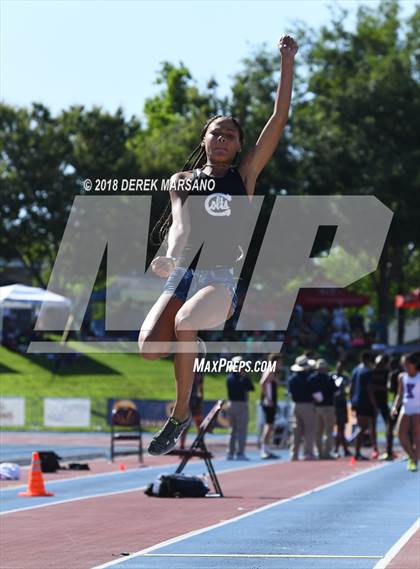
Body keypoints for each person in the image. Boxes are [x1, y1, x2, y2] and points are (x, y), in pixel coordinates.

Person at [138, 35, 299, 455]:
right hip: (183, 273)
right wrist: (169, 256)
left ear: (239, 145)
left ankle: (179, 414)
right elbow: (179, 224)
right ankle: (191, 344)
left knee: (187, 320)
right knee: (149, 348)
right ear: (205, 139)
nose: (223, 139)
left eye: (230, 135)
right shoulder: (183, 181)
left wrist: (287, 61)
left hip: (219, 278)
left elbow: (279, 118)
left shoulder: (243, 177)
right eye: (216, 133)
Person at [391, 353, 420, 472]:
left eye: (408, 363)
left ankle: (415, 460)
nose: (406, 366)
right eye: (404, 364)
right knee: (400, 433)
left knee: (417, 435)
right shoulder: (402, 377)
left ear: (414, 364)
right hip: (406, 407)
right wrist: (395, 406)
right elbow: (400, 393)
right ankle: (412, 455)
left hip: (418, 408)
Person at [226, 356, 254, 460]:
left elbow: (251, 388)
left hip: (232, 404)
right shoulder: (235, 378)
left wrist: (245, 377)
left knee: (232, 430)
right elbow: (242, 389)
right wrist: (244, 378)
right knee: (241, 430)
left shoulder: (230, 377)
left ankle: (231, 452)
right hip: (239, 404)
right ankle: (239, 452)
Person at [288, 355, 316, 460]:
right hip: (307, 404)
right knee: (309, 430)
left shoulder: (292, 379)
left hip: (295, 405)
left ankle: (294, 453)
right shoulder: (309, 378)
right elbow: (314, 393)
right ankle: (308, 453)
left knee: (296, 430)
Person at [309, 359, 337, 459]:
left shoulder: (312, 378)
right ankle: (327, 452)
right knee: (328, 431)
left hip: (316, 407)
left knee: (318, 431)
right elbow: (335, 391)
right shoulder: (329, 378)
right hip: (328, 406)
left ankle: (319, 452)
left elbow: (310, 391)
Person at [350, 350, 375, 460]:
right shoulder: (367, 372)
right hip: (365, 402)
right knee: (363, 427)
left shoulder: (355, 370)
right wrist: (374, 404)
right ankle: (357, 452)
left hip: (357, 402)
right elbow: (369, 389)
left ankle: (357, 451)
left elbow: (351, 388)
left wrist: (351, 401)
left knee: (362, 427)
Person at [368, 353, 391, 459]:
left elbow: (387, 387)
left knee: (388, 423)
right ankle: (375, 449)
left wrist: (380, 388)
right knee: (372, 425)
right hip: (373, 402)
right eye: (378, 363)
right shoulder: (371, 372)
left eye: (381, 363)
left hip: (384, 402)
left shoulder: (386, 372)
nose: (379, 365)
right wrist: (374, 404)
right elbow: (370, 389)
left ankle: (388, 449)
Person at [259, 354, 283, 459]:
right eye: (279, 362)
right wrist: (268, 398)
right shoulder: (270, 369)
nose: (281, 364)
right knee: (268, 426)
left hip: (271, 401)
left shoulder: (272, 371)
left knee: (270, 425)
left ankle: (267, 448)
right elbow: (262, 383)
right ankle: (264, 449)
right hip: (268, 402)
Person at [179, 370, 204, 450]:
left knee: (200, 427)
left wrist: (200, 400)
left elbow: (201, 389)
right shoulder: (187, 375)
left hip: (196, 403)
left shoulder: (199, 375)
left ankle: (201, 446)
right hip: (188, 403)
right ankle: (182, 447)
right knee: (185, 426)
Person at [331, 360, 351, 457]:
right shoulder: (331, 377)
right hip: (333, 404)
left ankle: (340, 449)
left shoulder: (345, 378)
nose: (340, 369)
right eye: (339, 367)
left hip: (342, 404)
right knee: (336, 428)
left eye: (342, 367)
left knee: (341, 428)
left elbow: (348, 390)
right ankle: (338, 449)